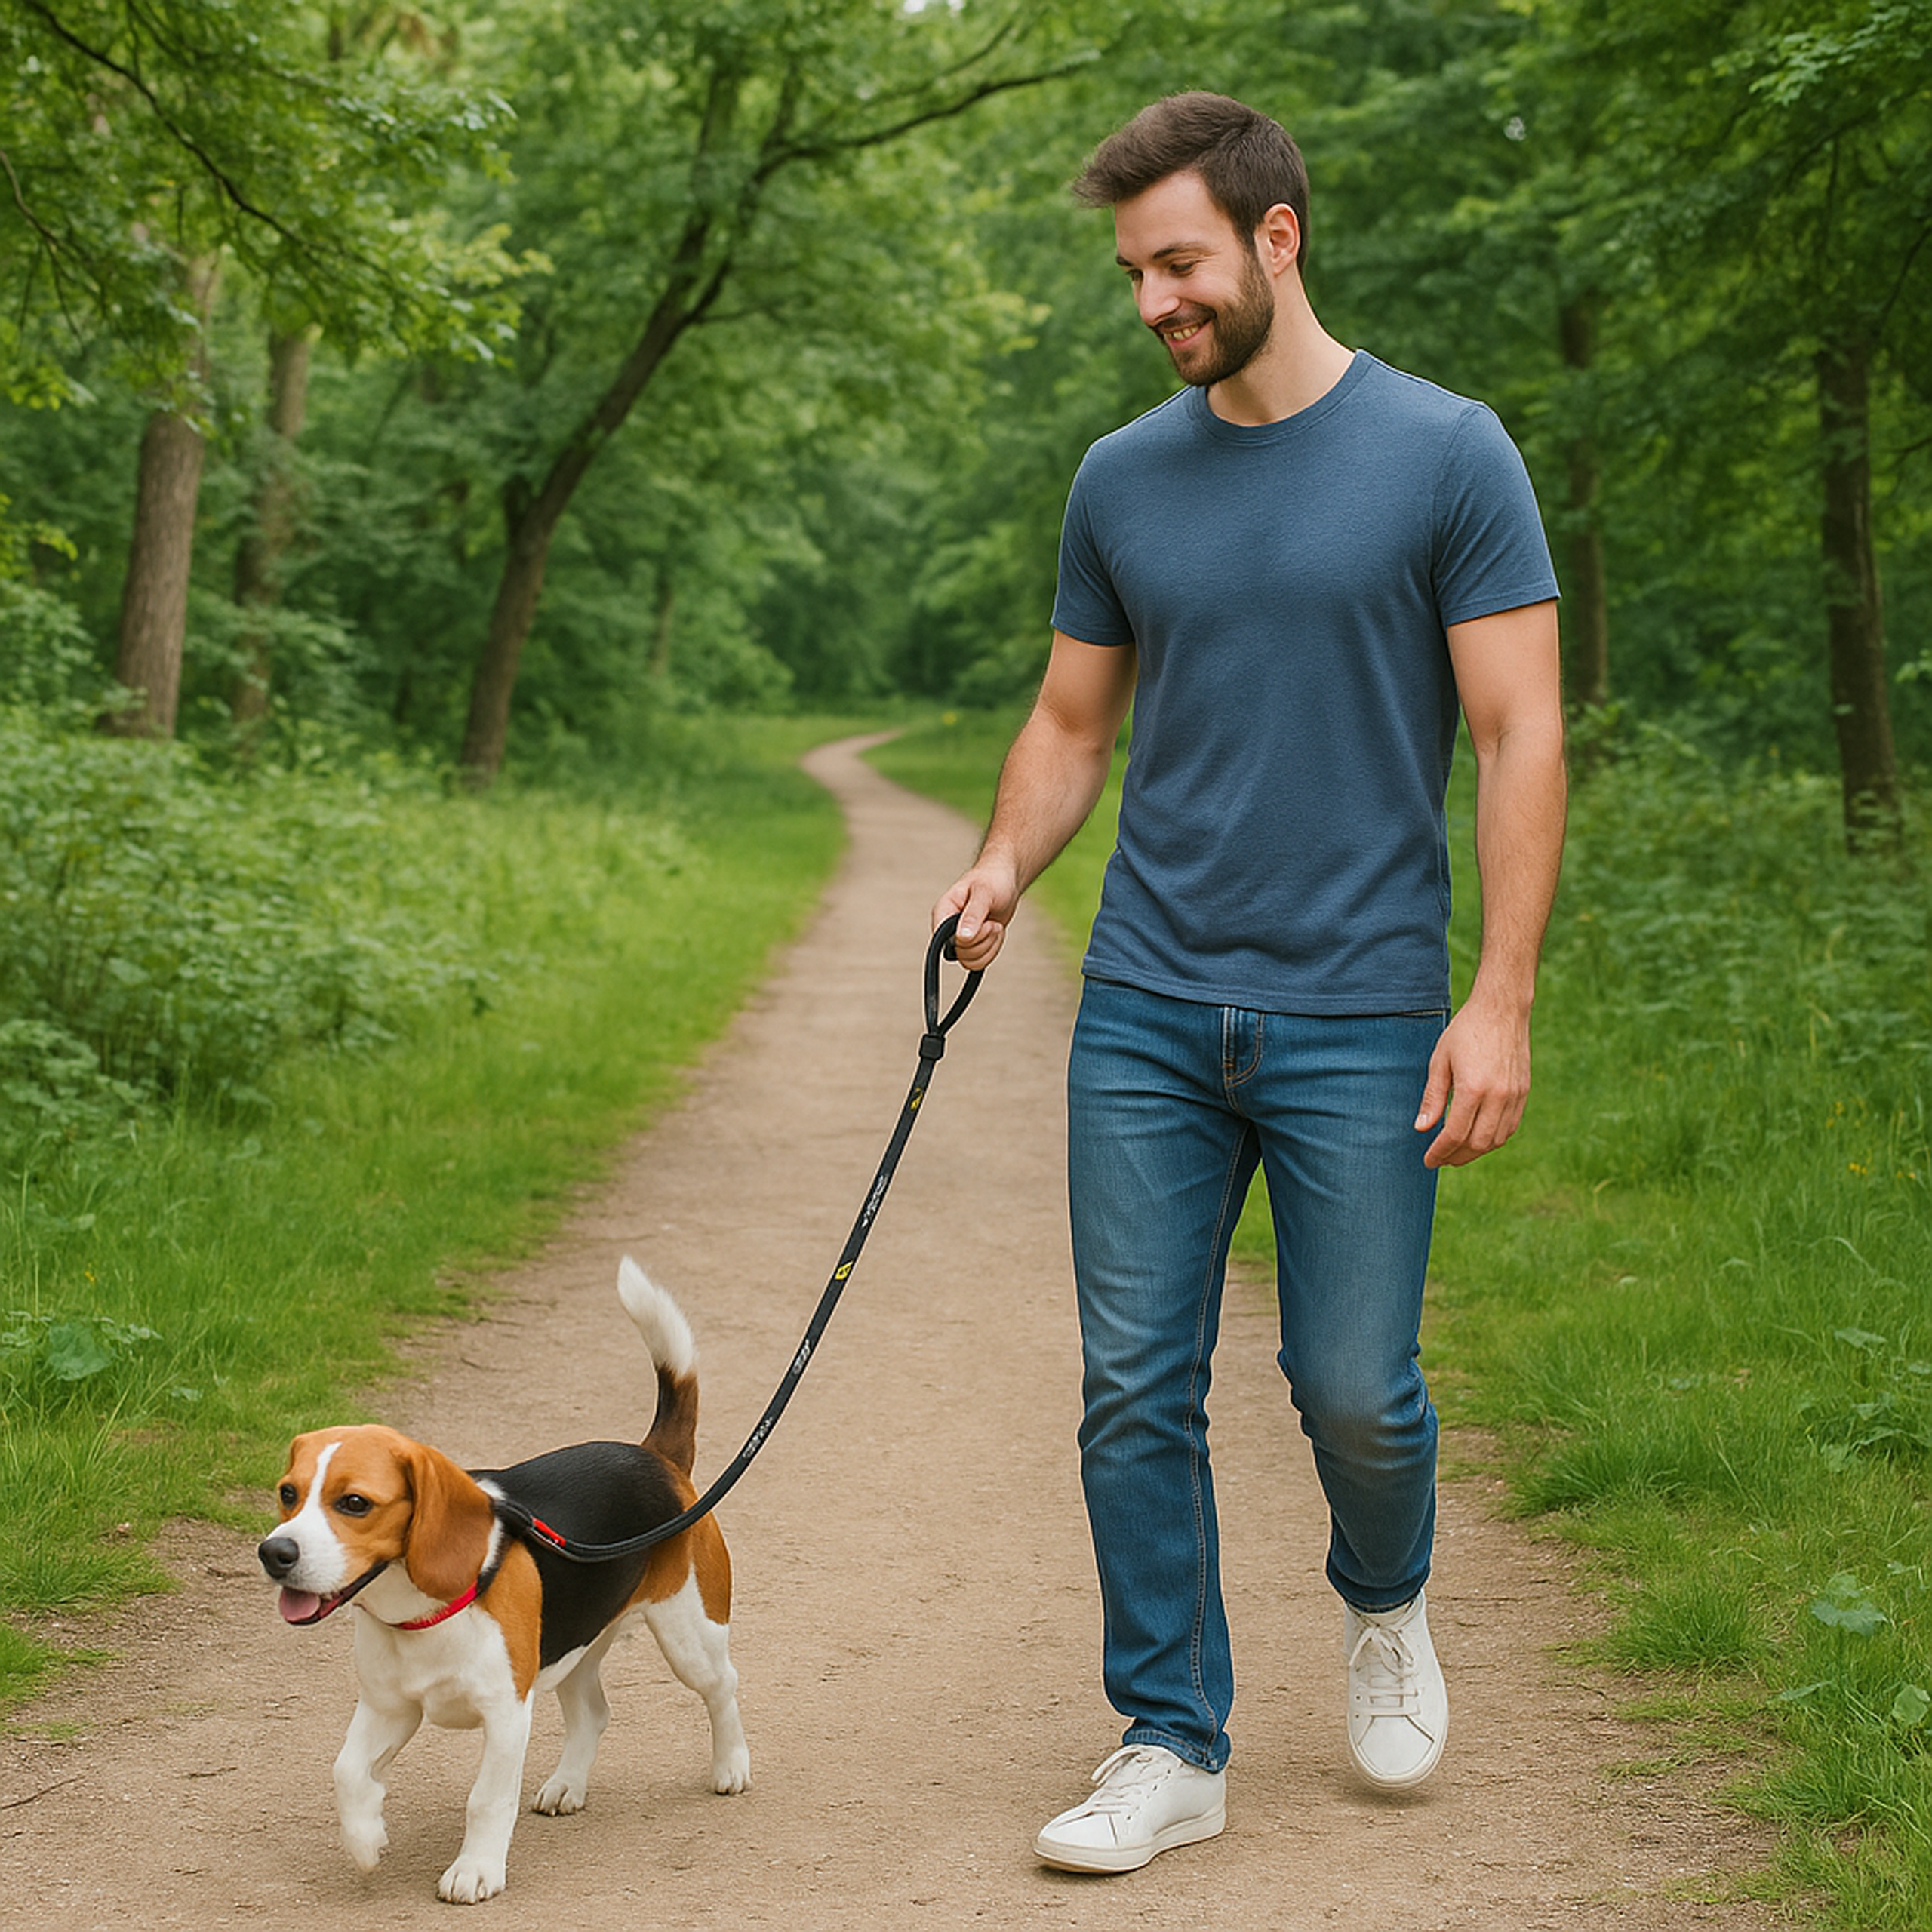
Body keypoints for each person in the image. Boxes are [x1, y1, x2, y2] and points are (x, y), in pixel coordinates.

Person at [931, 92, 1567, 1875]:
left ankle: (1382, 1596)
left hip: (1364, 1004)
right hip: (1142, 996)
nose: (1154, 298)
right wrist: (1001, 862)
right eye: (1136, 270)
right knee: (1133, 1381)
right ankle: (1169, 1733)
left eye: (1181, 261)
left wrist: (1497, 995)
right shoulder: (1121, 475)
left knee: (1353, 1384)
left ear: (1276, 239)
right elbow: (1071, 724)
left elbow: (1519, 732)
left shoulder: (1446, 453)